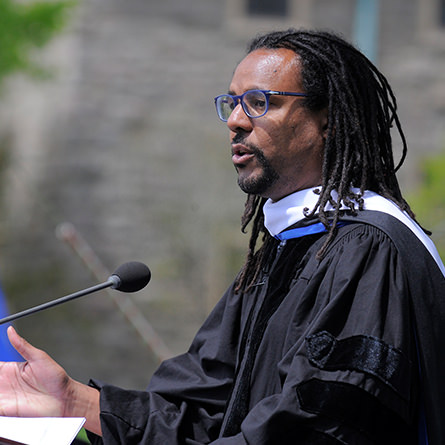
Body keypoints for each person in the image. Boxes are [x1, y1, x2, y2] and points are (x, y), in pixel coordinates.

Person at [0, 28, 444, 444]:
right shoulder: (284, 251)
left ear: (326, 120)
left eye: (258, 102)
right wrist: (73, 402)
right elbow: (203, 414)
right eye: (232, 103)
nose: (235, 120)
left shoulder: (367, 249)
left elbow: (320, 423)